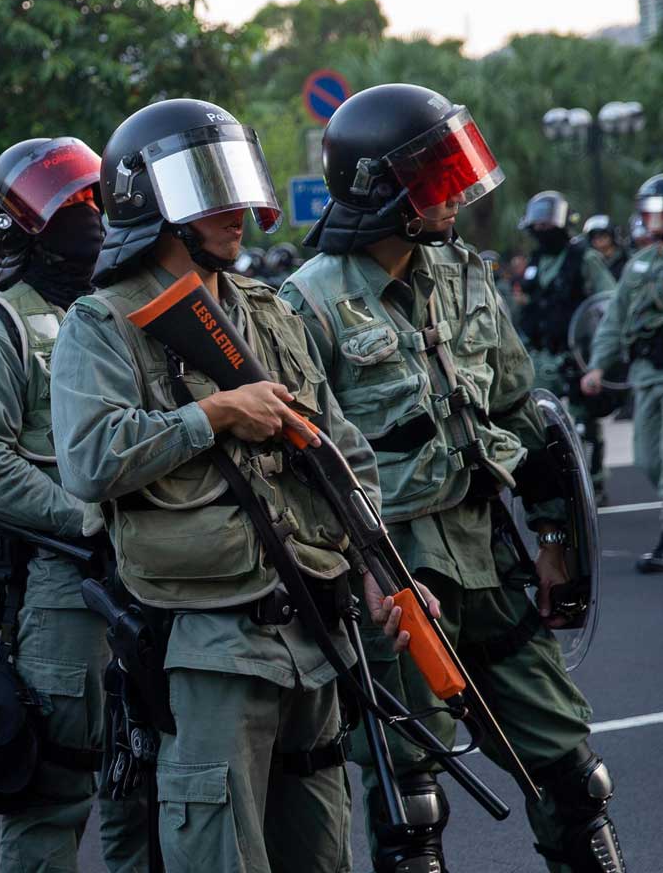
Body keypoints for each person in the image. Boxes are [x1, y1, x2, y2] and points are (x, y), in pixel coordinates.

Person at [50, 98, 407, 873]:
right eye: (207, 190)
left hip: (314, 627)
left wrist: (380, 572)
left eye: (236, 183)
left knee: (322, 852)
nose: (237, 210)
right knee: (220, 855)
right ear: (153, 204)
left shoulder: (267, 311)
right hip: (209, 638)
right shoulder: (104, 323)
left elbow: (342, 449)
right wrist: (211, 416)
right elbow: (88, 459)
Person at [280, 83, 622, 872]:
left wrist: (551, 537)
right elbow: (302, 468)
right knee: (413, 805)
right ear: (380, 189)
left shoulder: (464, 273)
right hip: (396, 575)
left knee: (575, 779)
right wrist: (357, 570)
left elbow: (518, 410)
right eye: (434, 177)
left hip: (486, 552)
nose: (453, 193)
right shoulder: (308, 304)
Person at [0, 137, 149, 871]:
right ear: (23, 225)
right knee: (56, 786)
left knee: (143, 784)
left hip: (149, 575)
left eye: (95, 200)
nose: (90, 216)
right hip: (65, 584)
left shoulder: (118, 312)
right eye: (72, 205)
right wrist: (85, 518)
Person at [514, 192, 615, 500]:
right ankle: (554, 481)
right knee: (533, 416)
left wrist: (594, 353)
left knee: (585, 422)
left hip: (576, 356)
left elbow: (607, 302)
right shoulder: (535, 261)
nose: (542, 229)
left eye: (548, 223)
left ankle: (593, 482)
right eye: (538, 224)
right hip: (542, 355)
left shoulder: (585, 258)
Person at [585, 174, 663, 572]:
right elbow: (614, 320)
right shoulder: (640, 265)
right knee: (649, 456)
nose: (651, 219)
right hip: (648, 374)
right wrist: (598, 364)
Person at [583, 214, 630, 281]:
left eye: (603, 235)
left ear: (612, 236)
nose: (598, 240)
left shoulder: (626, 259)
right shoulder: (587, 260)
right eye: (594, 237)